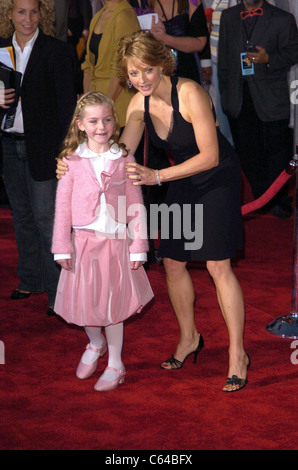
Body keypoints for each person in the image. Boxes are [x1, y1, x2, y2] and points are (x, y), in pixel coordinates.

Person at [57, 30, 249, 392]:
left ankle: (238, 354)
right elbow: (118, 158)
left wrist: (156, 175)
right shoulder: (136, 105)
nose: (140, 79)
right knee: (173, 262)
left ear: (161, 65)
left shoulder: (189, 92)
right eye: (132, 73)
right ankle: (189, 338)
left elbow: (210, 156)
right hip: (180, 180)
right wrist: (74, 164)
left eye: (146, 70)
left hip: (217, 179)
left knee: (216, 264)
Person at [52, 91, 153, 391]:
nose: (101, 126)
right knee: (87, 304)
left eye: (107, 119)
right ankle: (95, 344)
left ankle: (116, 363)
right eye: (94, 120)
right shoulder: (71, 160)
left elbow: (136, 205)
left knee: (113, 307)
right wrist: (61, 246)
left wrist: (139, 247)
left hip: (116, 243)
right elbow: (62, 208)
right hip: (83, 243)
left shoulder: (123, 158)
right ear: (81, 124)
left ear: (115, 122)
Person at [0, 0, 77, 316]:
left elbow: (66, 108)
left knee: (49, 220)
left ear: (42, 14)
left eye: (33, 12)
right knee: (21, 216)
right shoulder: (1, 51)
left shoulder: (56, 50)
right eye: (21, 11)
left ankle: (56, 290)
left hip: (45, 148)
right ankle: (30, 279)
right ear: (10, 14)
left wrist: (66, 151)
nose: (27, 18)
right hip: (7, 144)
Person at [218, 0, 298, 218]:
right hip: (238, 98)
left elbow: (294, 52)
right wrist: (225, 96)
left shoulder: (283, 19)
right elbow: (223, 59)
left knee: (277, 151)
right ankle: (262, 195)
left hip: (271, 98)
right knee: (247, 152)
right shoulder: (228, 17)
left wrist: (269, 58)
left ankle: (280, 201)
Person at [81, 0, 141, 128]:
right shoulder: (98, 16)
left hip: (117, 107)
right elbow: (88, 65)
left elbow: (121, 68)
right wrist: (87, 104)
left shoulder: (125, 15)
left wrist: (104, 110)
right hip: (96, 105)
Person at [149, 0, 210, 85]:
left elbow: (200, 43)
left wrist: (165, 39)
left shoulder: (191, 2)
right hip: (155, 72)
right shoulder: (142, 3)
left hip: (187, 70)